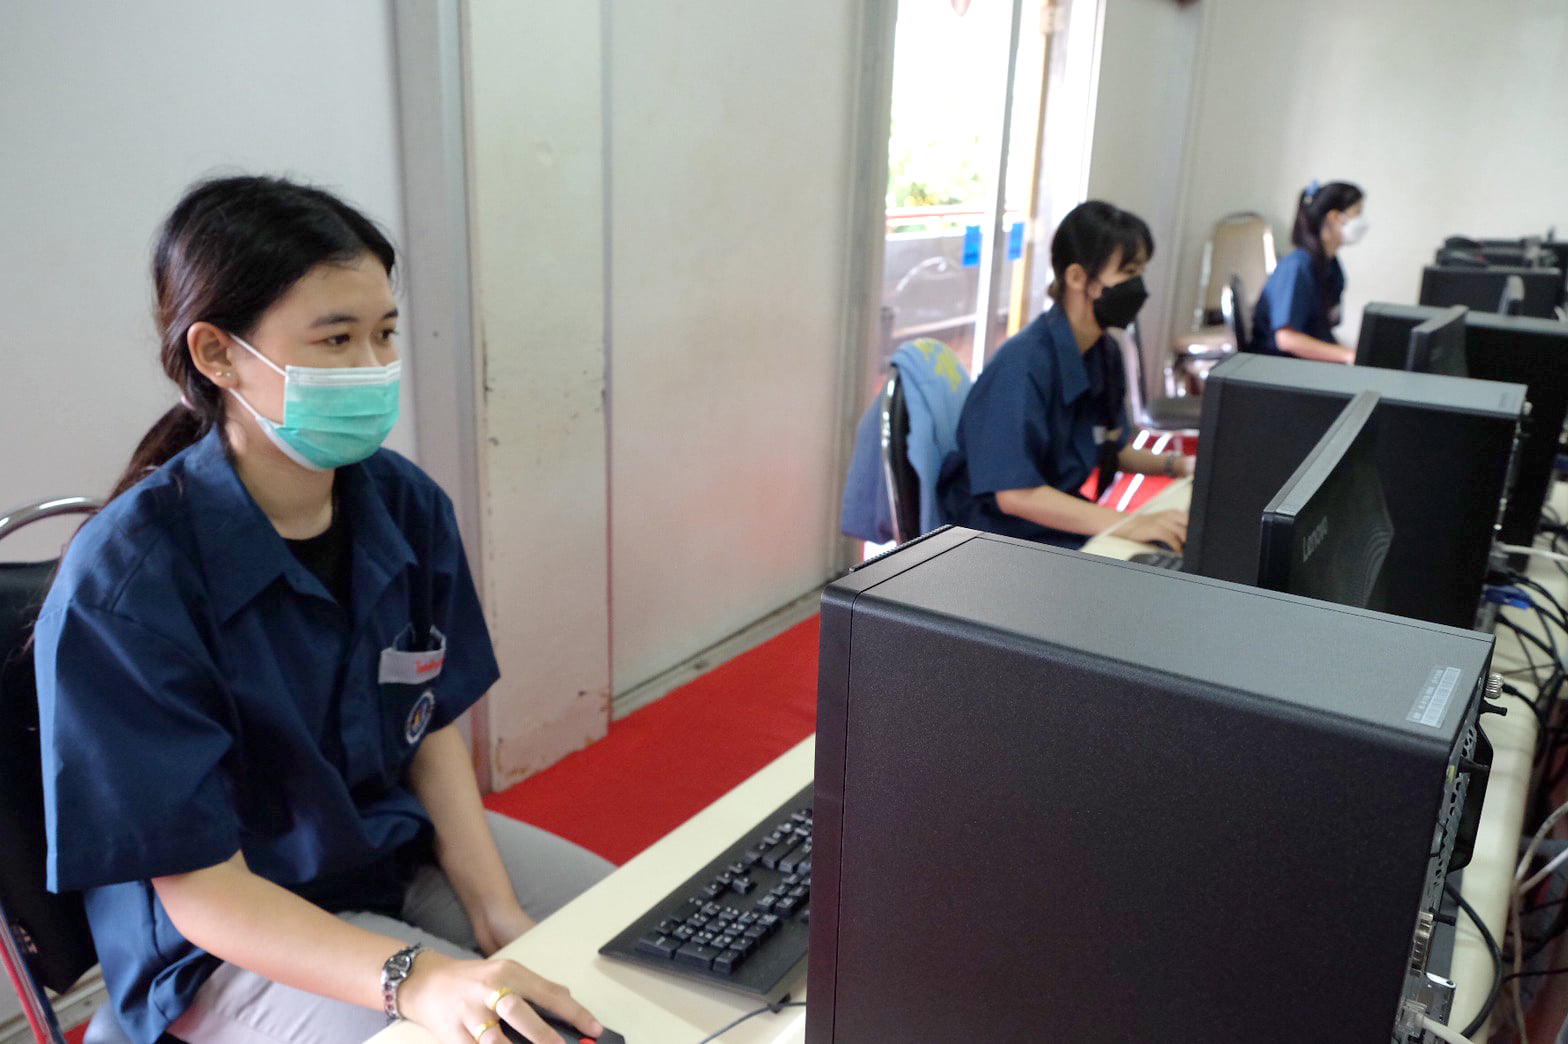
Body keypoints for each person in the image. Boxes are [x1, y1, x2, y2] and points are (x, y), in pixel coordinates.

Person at [33, 176, 613, 1044]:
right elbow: (204, 892)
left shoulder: (405, 506)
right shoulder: (127, 586)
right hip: (224, 940)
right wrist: (418, 980)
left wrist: (498, 915)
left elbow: (431, 728)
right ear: (218, 356)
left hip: (383, 851)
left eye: (383, 333)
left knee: (628, 949)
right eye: (335, 339)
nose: (374, 367)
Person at [937, 200, 1193, 552]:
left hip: (1044, 521)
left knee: (1157, 554)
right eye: (1129, 272)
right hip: (991, 536)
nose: (1139, 287)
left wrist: (1178, 465)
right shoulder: (1023, 365)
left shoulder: (1104, 353)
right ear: (1076, 277)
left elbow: (1110, 446)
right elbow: (1015, 495)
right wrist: (1129, 523)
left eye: (1140, 272)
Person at [1247, 180, 1366, 363]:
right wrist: (1347, 355)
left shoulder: (1331, 266)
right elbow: (1286, 339)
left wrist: (1349, 352)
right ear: (1335, 217)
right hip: (1278, 367)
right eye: (1357, 213)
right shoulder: (1297, 268)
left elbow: (1320, 331)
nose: (1362, 222)